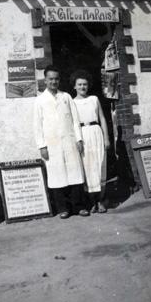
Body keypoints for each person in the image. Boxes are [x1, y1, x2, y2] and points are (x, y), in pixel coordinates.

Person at [33, 65, 89, 219]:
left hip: (69, 141)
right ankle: (63, 208)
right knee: (57, 175)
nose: (54, 81)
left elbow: (75, 120)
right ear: (45, 80)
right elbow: (37, 126)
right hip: (52, 144)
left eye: (56, 79)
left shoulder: (66, 97)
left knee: (74, 174)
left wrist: (78, 139)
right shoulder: (40, 101)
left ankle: (79, 207)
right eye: (51, 79)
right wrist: (42, 146)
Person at [71, 70, 110, 213]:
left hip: (96, 132)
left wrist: (106, 137)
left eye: (85, 84)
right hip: (83, 135)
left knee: (100, 165)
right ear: (74, 86)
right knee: (87, 168)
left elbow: (103, 119)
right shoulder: (72, 102)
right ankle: (92, 202)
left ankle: (101, 201)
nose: (82, 87)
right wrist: (77, 140)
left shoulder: (94, 99)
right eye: (79, 84)